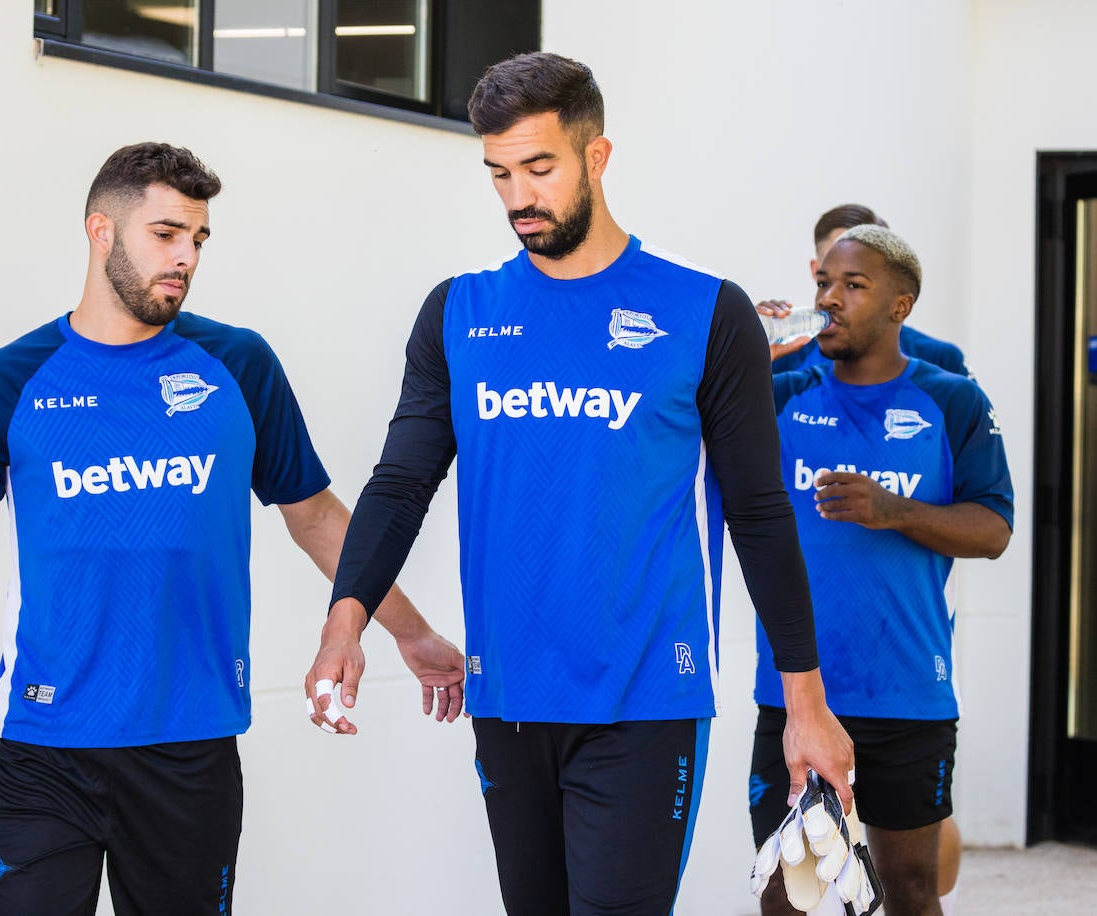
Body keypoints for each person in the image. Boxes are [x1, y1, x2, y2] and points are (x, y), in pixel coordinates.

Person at [0, 142, 465, 915]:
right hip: (43, 747)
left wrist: (407, 630)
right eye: (165, 234)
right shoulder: (9, 379)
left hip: (189, 752)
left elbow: (318, 518)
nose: (186, 258)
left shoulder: (237, 365)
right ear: (101, 231)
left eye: (198, 239)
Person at [303, 52, 854, 915]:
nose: (518, 195)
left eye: (539, 167)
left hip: (645, 696)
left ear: (596, 157)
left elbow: (757, 512)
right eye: (498, 174)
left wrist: (805, 707)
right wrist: (347, 622)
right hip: (508, 695)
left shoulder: (706, 312)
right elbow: (402, 481)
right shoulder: (458, 312)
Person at [748, 225, 1013, 916]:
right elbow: (684, 426)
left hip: (906, 695)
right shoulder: (779, 392)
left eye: (853, 286)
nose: (831, 299)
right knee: (789, 900)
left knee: (911, 894)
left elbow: (993, 529)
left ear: (902, 305)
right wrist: (745, 353)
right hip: (799, 697)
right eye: (824, 285)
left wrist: (893, 510)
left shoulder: (953, 401)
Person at [766, 204, 970, 378]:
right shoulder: (784, 360)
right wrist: (750, 350)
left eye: (855, 280)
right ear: (816, 270)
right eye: (826, 278)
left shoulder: (940, 361)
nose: (830, 299)